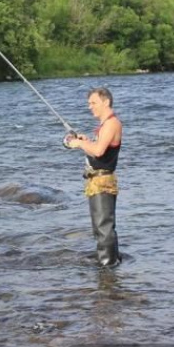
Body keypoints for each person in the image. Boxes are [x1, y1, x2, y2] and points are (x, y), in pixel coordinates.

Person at [66, 87, 122, 268]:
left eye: (93, 103)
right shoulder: (106, 125)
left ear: (106, 102)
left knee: (103, 228)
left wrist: (80, 144)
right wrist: (86, 141)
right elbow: (99, 150)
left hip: (103, 183)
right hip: (98, 181)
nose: (90, 107)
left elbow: (98, 151)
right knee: (101, 227)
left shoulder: (111, 124)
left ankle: (107, 268)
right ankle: (111, 264)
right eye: (89, 103)